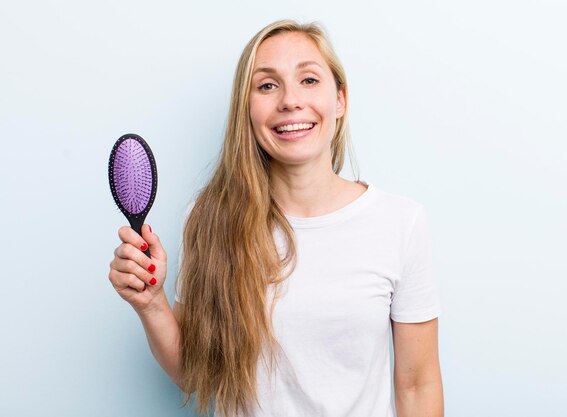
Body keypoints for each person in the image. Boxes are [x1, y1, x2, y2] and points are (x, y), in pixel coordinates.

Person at [108, 19, 443, 417]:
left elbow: (418, 385)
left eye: (309, 80)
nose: (290, 101)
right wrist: (151, 303)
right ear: (246, 110)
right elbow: (196, 376)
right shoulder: (210, 218)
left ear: (340, 100)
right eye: (267, 85)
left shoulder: (399, 222)